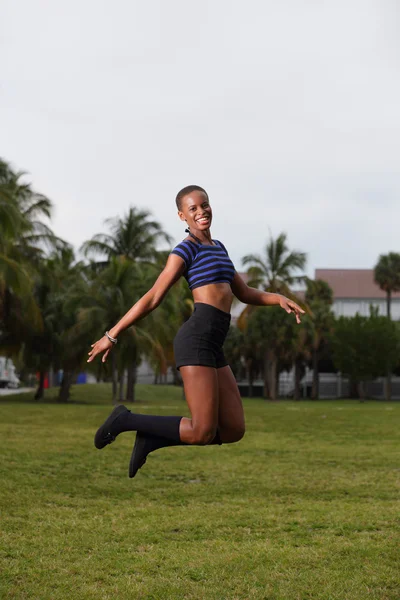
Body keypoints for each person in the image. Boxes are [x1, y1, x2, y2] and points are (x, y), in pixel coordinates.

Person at [88, 185, 305, 479]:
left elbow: (243, 292)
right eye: (193, 209)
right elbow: (152, 297)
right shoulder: (184, 250)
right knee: (202, 430)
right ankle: (126, 420)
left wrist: (276, 298)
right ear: (182, 216)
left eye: (204, 205)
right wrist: (111, 334)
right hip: (197, 338)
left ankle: (151, 439)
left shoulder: (219, 249)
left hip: (214, 344)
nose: (201, 211)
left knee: (233, 429)